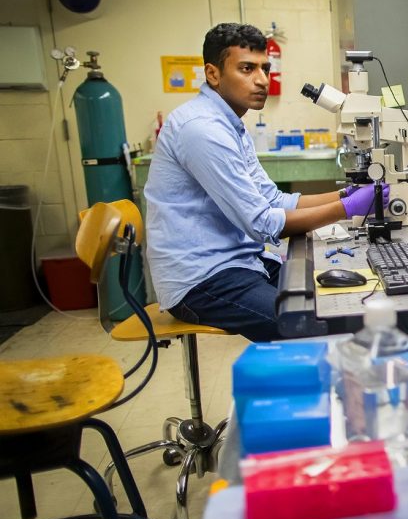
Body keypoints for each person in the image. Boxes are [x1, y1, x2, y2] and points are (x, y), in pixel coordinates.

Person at [145, 22, 387, 341]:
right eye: (247, 69)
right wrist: (347, 208)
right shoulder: (203, 130)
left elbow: (274, 200)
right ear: (213, 74)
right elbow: (262, 224)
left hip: (241, 261)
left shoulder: (231, 124)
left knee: (341, 303)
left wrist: (346, 194)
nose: (262, 80)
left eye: (265, 69)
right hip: (202, 280)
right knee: (311, 325)